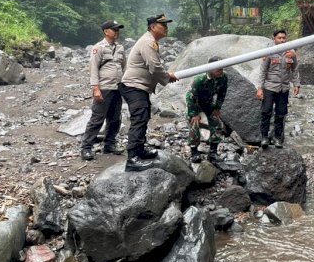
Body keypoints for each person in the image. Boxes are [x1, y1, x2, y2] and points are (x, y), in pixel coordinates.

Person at [119, 13, 178, 172]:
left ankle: (139, 150)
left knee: (143, 117)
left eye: (166, 25)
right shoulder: (148, 42)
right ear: (153, 27)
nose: (166, 28)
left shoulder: (151, 41)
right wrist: (167, 77)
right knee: (139, 119)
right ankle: (132, 159)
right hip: (134, 86)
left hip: (138, 87)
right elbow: (155, 67)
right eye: (163, 25)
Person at [81, 20, 127, 160]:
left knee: (114, 119)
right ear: (106, 31)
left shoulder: (120, 48)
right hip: (104, 88)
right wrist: (96, 89)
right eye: (114, 29)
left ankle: (109, 145)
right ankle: (86, 148)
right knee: (97, 119)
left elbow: (124, 67)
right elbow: (93, 69)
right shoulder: (98, 48)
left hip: (117, 88)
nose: (117, 32)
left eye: (118, 29)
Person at [256, 29, 300, 149]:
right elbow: (262, 71)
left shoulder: (291, 53)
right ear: (274, 39)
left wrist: (296, 84)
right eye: (279, 38)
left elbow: (295, 70)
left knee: (281, 114)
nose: (282, 40)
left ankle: (277, 138)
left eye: (283, 38)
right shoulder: (268, 52)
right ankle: (264, 137)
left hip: (284, 88)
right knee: (266, 112)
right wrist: (259, 88)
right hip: (270, 87)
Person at [185, 56, 228, 163]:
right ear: (210, 68)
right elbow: (190, 97)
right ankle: (194, 152)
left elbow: (222, 93)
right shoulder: (199, 79)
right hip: (195, 104)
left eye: (222, 68)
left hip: (208, 104)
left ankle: (213, 152)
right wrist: (194, 114)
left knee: (217, 123)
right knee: (195, 124)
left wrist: (217, 108)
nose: (220, 71)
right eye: (218, 68)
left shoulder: (223, 77)